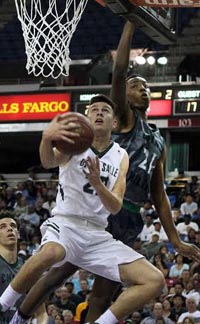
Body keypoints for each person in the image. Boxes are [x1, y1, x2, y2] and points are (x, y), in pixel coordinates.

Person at [5, 21, 200, 324]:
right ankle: (18, 314)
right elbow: (120, 71)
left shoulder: (157, 141)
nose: (142, 89)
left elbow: (160, 196)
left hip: (128, 217)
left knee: (104, 293)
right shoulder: (121, 118)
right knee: (58, 272)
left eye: (146, 86)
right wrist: (131, 21)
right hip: (99, 212)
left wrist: (175, 240)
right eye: (137, 86)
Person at [1, 94, 167, 324]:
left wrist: (98, 184)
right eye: (94, 109)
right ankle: (4, 304)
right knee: (52, 253)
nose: (99, 113)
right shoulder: (74, 144)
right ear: (86, 118)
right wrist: (46, 138)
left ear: (115, 123)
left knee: (154, 280)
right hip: (65, 224)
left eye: (105, 110)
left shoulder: (121, 155)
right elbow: (48, 161)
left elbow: (116, 205)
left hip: (97, 234)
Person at [0, 210, 47, 324]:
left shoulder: (29, 268)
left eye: (13, 226)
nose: (10, 229)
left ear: (18, 234)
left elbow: (41, 313)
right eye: (2, 227)